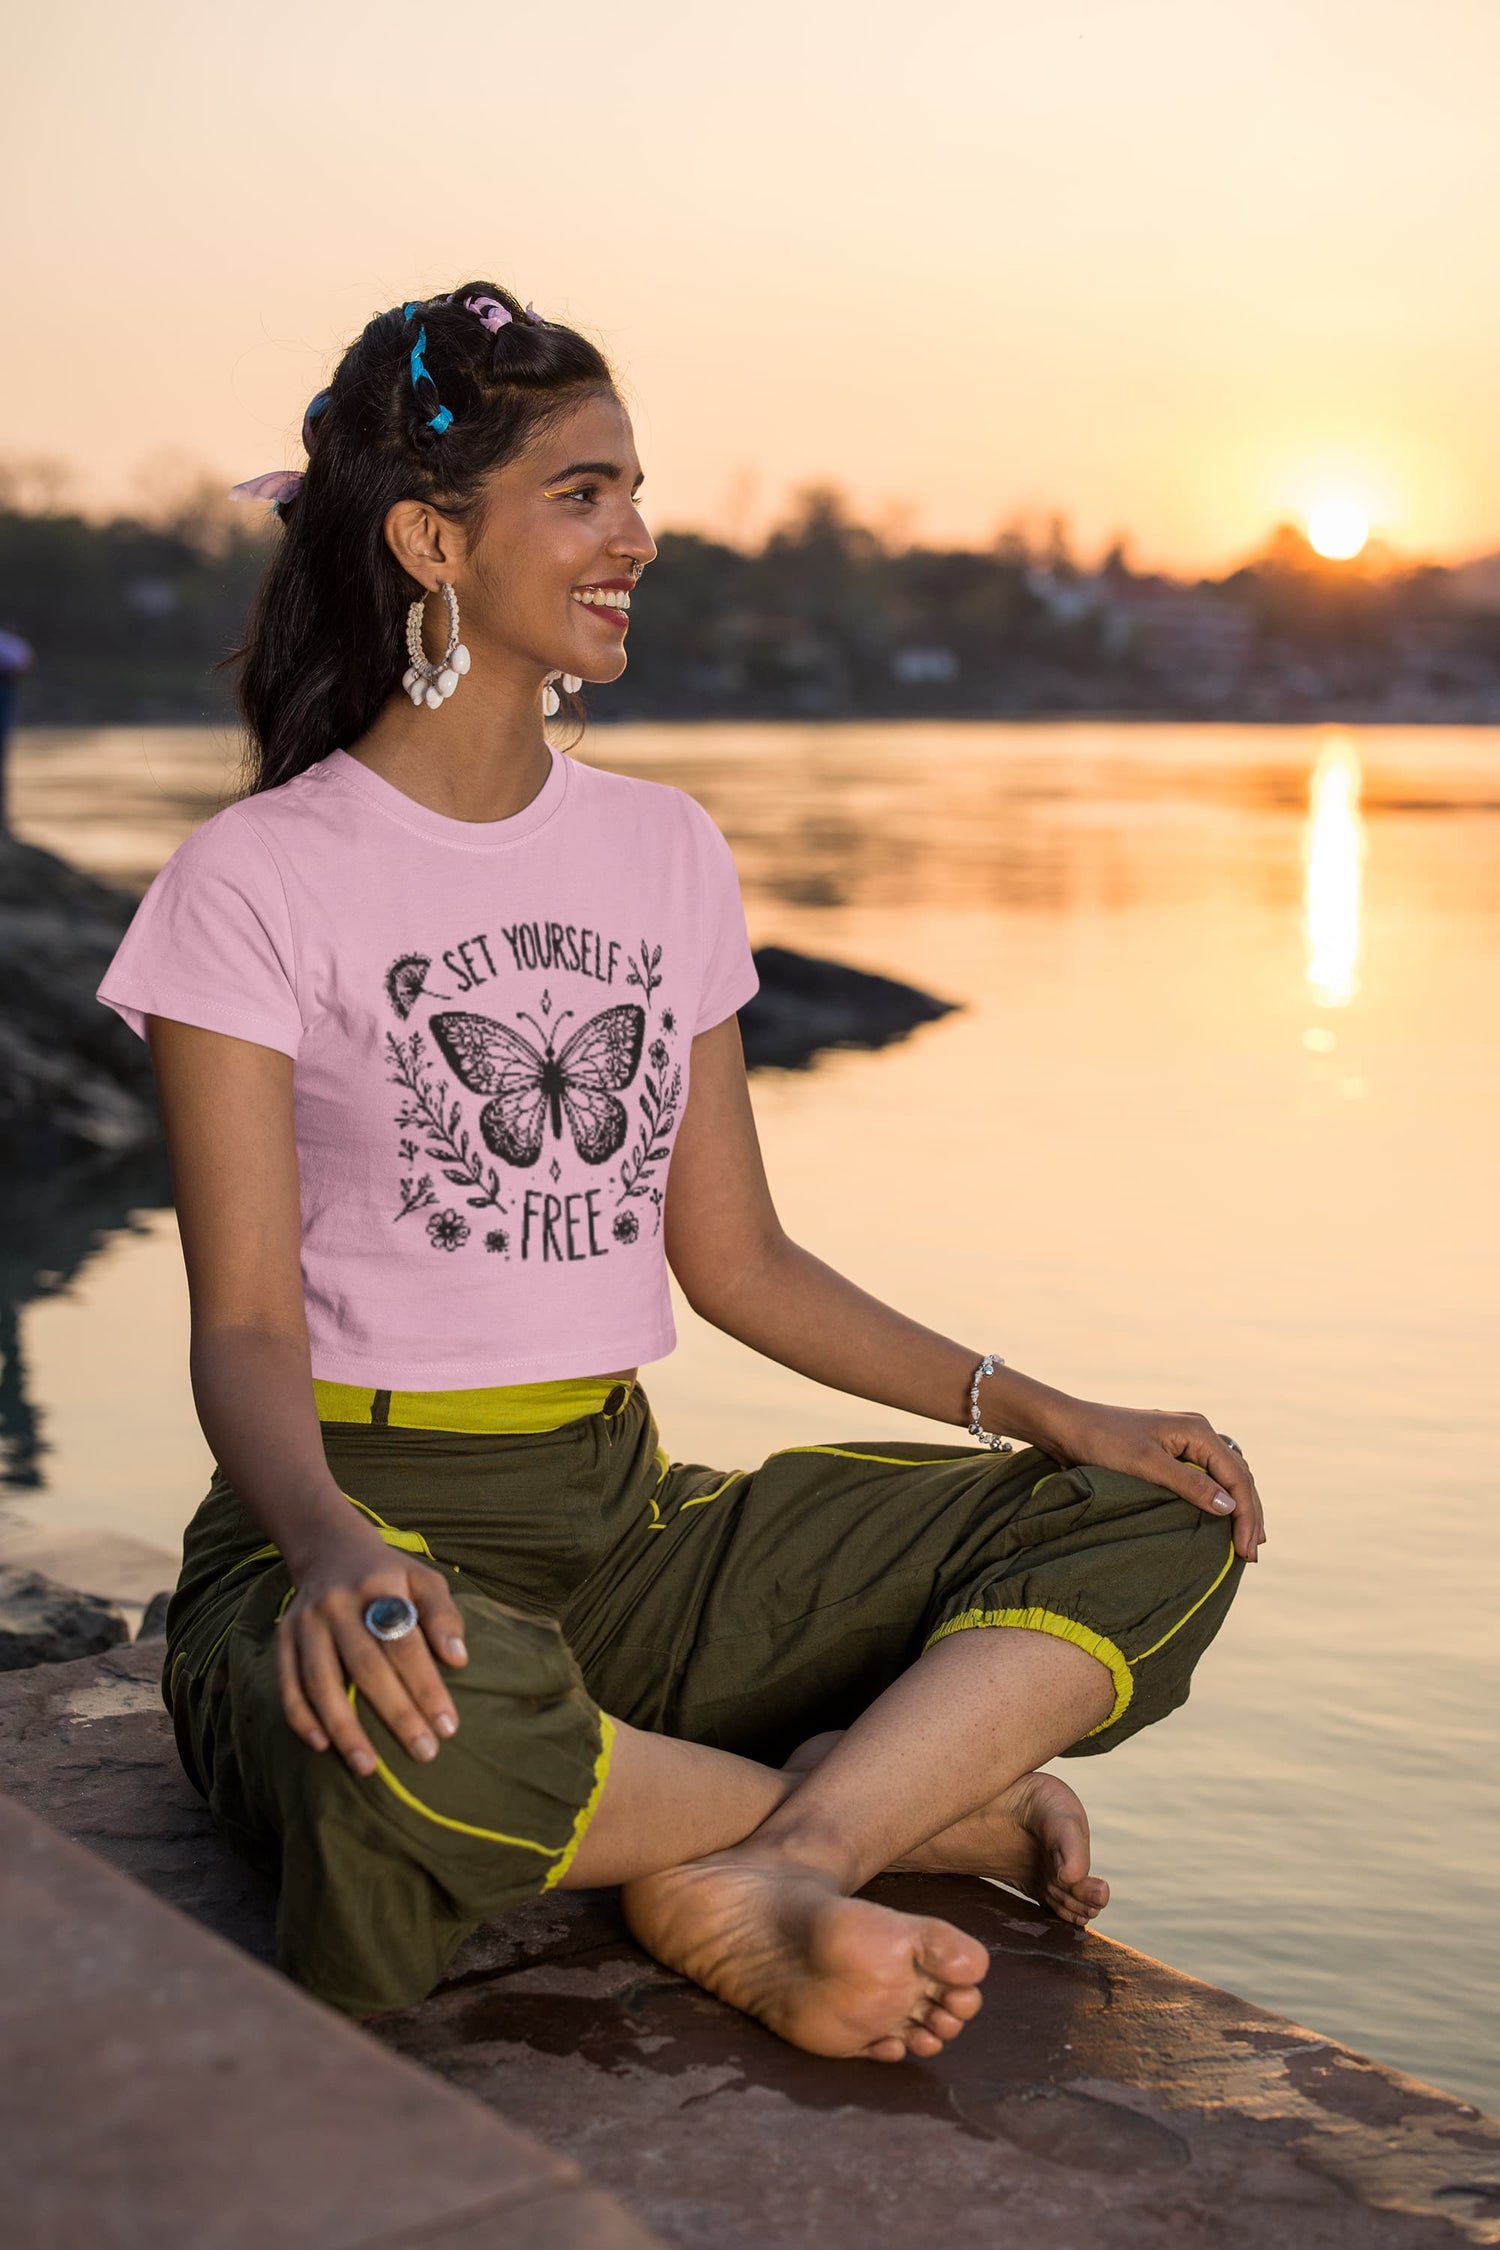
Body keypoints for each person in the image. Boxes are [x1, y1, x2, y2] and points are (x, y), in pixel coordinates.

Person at [96, 283, 1263, 2063]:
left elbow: (744, 1264)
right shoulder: (257, 881)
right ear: (431, 538)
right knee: (410, 1736)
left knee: (1155, 1509)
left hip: (624, 1519)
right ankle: (906, 1815)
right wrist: (330, 1545)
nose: (640, 534)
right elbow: (245, 1321)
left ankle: (770, 1857)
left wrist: (1055, 1411)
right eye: (583, 493)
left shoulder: (664, 850)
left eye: (636, 488)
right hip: (351, 1519)